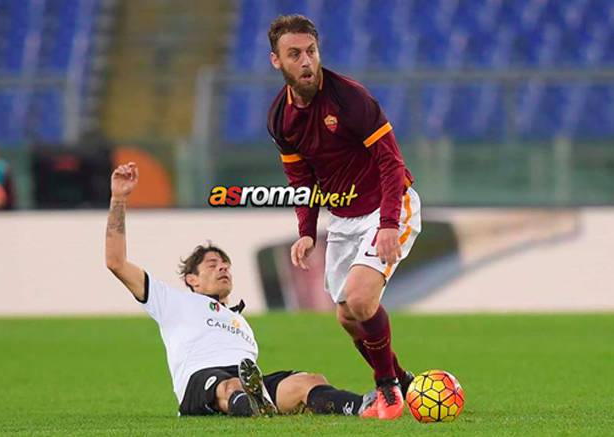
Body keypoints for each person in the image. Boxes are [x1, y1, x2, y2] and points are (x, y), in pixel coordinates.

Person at [105, 162, 375, 417]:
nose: (223, 268)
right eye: (212, 264)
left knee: (310, 381)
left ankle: (362, 406)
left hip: (246, 380)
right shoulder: (171, 301)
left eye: (225, 264)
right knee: (232, 386)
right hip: (202, 381)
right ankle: (253, 406)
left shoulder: (240, 322)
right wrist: (118, 199)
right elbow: (116, 263)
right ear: (192, 280)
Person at [266, 15, 422, 420]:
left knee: (360, 298)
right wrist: (306, 231)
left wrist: (389, 224)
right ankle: (402, 380)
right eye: (294, 54)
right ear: (276, 61)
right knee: (347, 316)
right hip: (344, 218)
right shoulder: (280, 118)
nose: (306, 61)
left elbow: (391, 162)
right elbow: (301, 178)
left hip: (388, 205)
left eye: (311, 51)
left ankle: (387, 390)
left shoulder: (350, 99)